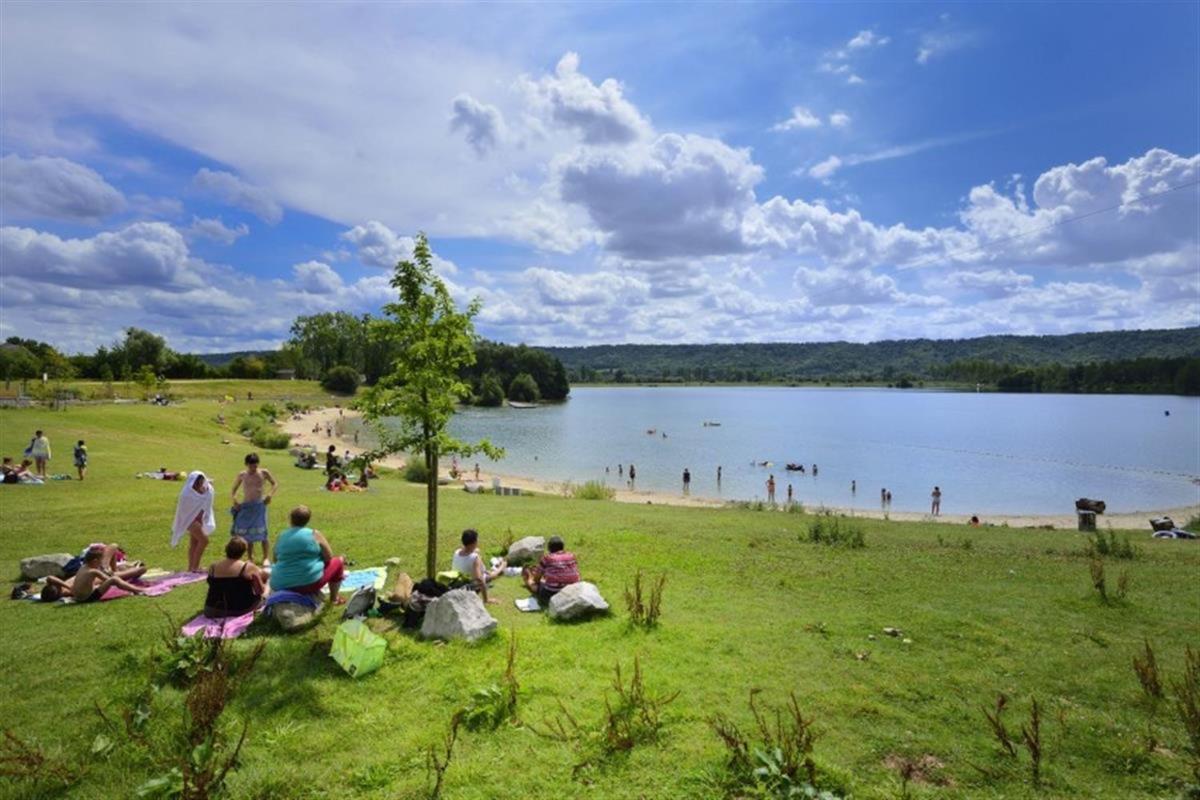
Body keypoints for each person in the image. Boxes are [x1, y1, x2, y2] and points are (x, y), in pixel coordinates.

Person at [270, 505, 346, 605]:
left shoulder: (282, 536)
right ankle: (334, 598)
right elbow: (328, 557)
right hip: (307, 584)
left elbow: (275, 559)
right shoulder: (314, 534)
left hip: (279, 584)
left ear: (290, 519)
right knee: (338, 561)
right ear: (307, 520)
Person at [43, 545, 147, 603]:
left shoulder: (61, 586)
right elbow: (108, 579)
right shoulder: (64, 592)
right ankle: (128, 573)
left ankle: (119, 568)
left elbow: (50, 578)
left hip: (99, 573)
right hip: (101, 578)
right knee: (141, 570)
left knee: (114, 547)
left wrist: (64, 585)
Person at [231, 453, 278, 565]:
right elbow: (233, 490)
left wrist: (270, 495)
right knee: (247, 534)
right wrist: (235, 499)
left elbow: (275, 484)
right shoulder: (242, 475)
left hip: (259, 505)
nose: (253, 468)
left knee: (263, 532)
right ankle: (250, 557)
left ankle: (266, 557)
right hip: (246, 506)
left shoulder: (263, 472)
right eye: (251, 466)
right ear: (246, 464)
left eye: (255, 466)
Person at [203, 536, 266, 618]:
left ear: (226, 549)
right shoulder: (247, 567)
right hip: (239, 609)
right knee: (266, 591)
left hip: (212, 609)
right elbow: (259, 590)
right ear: (243, 551)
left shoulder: (213, 567)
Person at [171, 471, 216, 573]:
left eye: (201, 482)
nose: (199, 485)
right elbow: (185, 511)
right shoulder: (186, 494)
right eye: (198, 483)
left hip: (199, 519)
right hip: (190, 520)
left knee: (194, 543)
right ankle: (195, 567)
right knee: (204, 541)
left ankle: (191, 567)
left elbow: (208, 492)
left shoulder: (204, 490)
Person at [452, 529, 506, 604]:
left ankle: (487, 570)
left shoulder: (456, 552)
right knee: (492, 575)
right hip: (470, 585)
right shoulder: (475, 557)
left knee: (477, 552)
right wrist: (486, 600)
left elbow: (467, 553)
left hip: (458, 582)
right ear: (473, 543)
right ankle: (502, 566)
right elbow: (479, 579)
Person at [522, 535, 580, 604]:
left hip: (552, 592)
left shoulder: (547, 558)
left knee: (533, 583)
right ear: (563, 547)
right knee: (546, 581)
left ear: (549, 548)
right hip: (572, 590)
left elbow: (537, 579)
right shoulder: (571, 556)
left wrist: (532, 580)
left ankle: (528, 580)